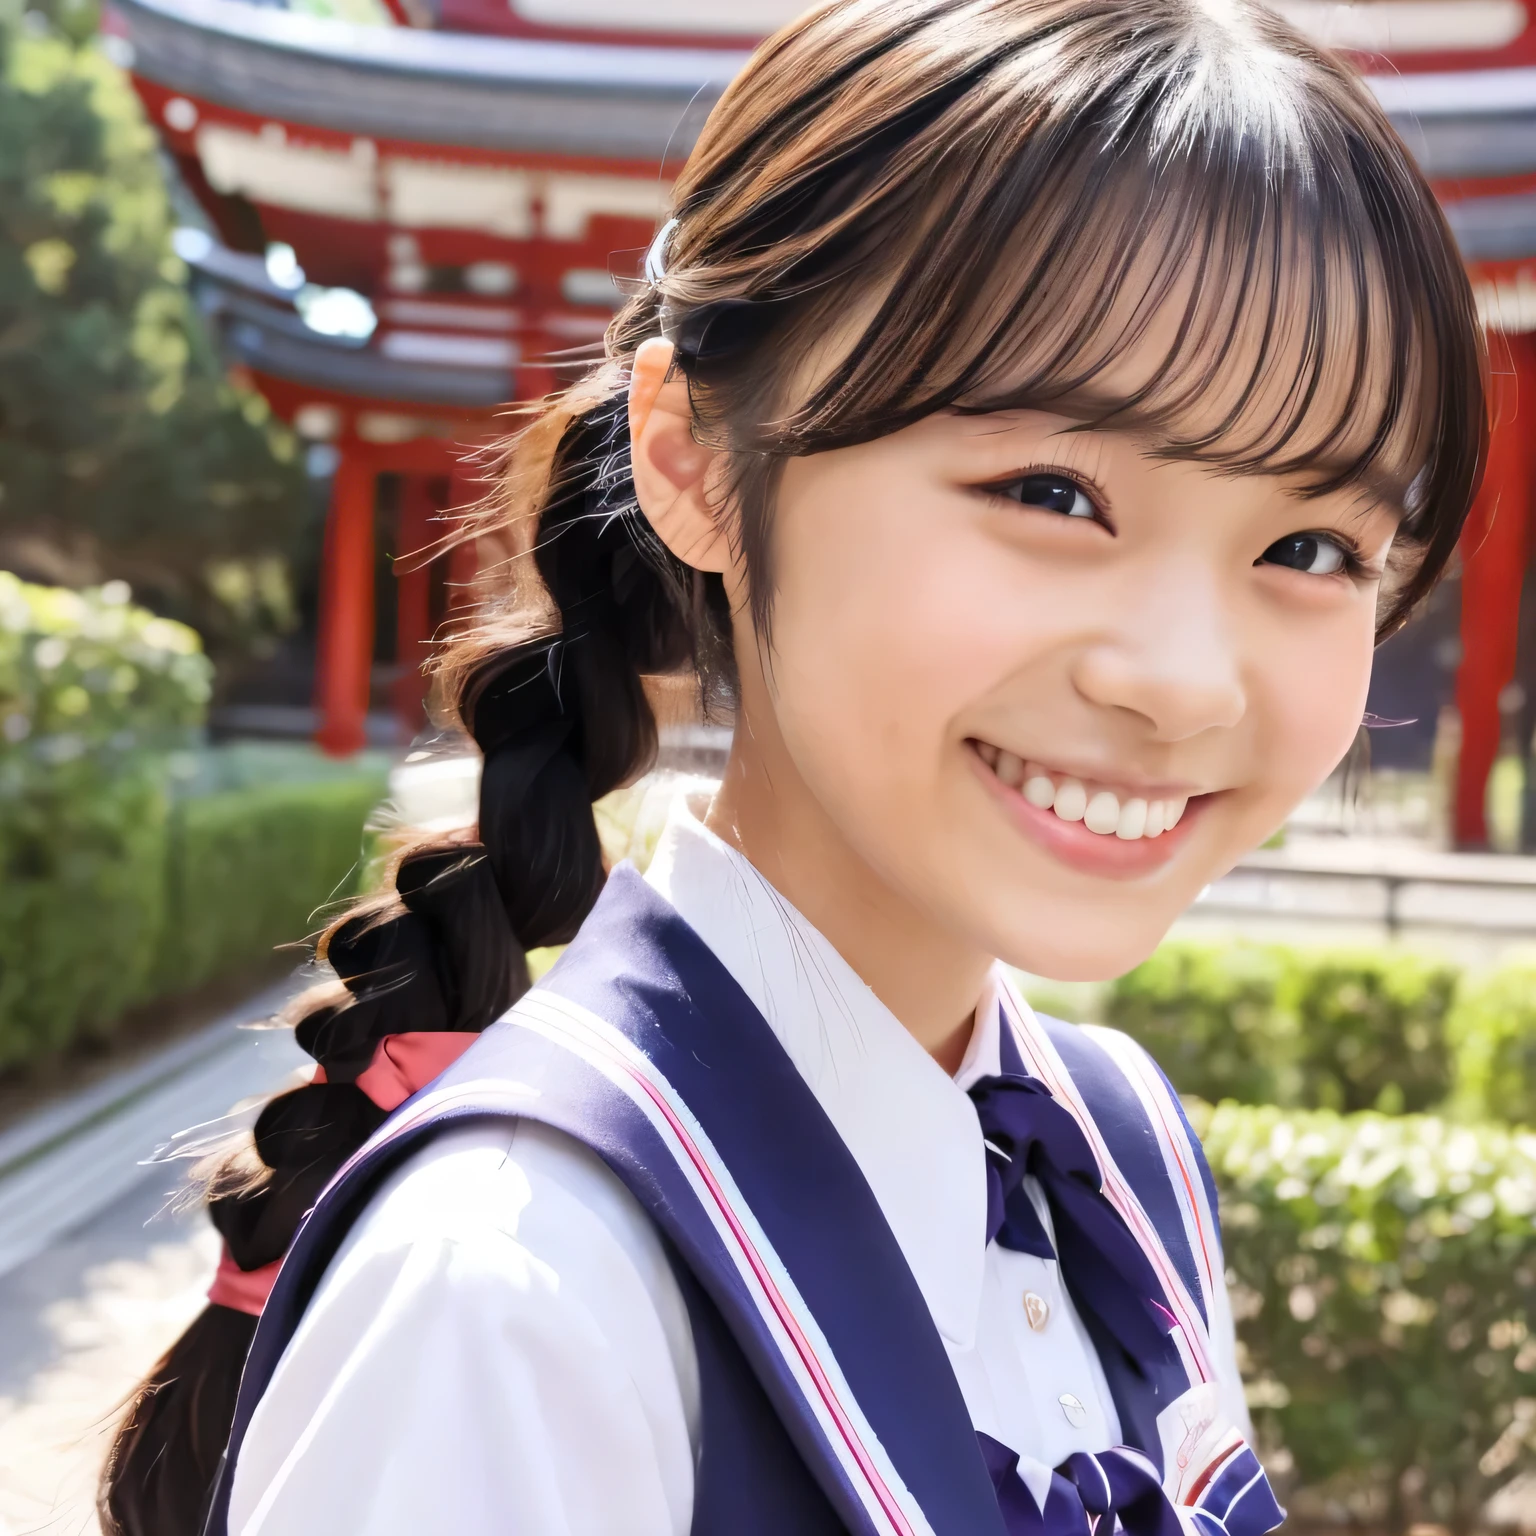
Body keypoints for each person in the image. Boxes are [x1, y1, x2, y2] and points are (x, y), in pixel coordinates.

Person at [100, 0, 1486, 1531]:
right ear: (694, 458)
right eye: (1052, 489)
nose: (1177, 679)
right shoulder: (519, 1297)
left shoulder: (1117, 1152)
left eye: (1310, 545)